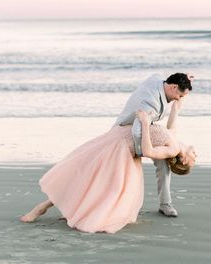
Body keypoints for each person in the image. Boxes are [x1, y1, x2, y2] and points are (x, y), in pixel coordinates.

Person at [20, 99, 196, 234]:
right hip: (116, 139)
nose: (195, 154)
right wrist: (178, 102)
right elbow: (172, 123)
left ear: (184, 161)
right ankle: (61, 208)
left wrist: (143, 122)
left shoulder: (172, 149)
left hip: (120, 151)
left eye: (194, 158)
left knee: (87, 178)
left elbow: (148, 151)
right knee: (84, 175)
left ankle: (41, 208)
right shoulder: (174, 141)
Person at [113, 72, 193, 217]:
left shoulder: (159, 80)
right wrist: (139, 152)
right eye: (180, 95)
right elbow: (137, 132)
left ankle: (165, 204)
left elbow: (172, 120)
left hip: (147, 131)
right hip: (127, 132)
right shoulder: (152, 102)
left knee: (163, 163)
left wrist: (184, 79)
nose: (178, 99)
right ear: (174, 87)